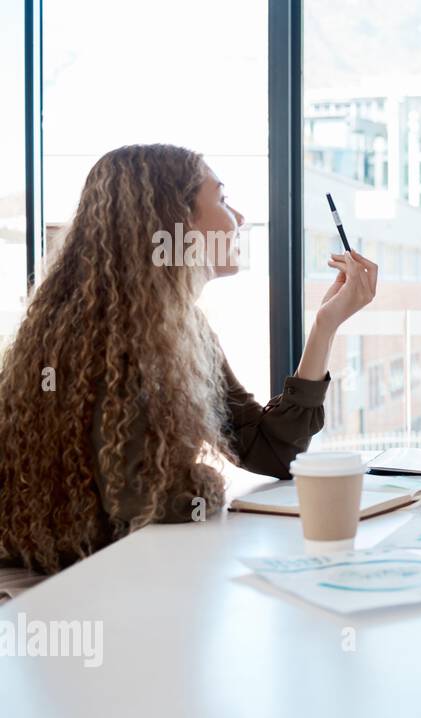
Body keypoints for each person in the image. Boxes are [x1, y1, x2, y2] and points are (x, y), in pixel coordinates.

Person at [0, 143, 378, 592]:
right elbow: (146, 504)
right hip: (66, 590)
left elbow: (271, 451)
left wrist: (324, 327)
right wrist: (206, 483)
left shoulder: (180, 325)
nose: (238, 217)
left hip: (117, 581)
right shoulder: (115, 337)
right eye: (220, 198)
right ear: (174, 221)